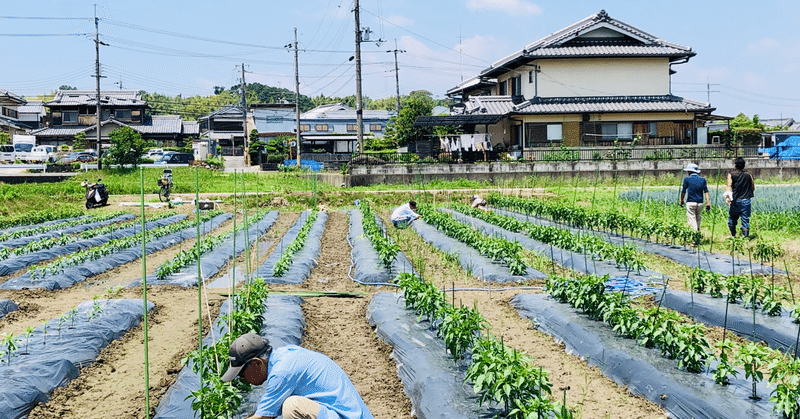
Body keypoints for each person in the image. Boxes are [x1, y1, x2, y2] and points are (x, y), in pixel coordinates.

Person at [221, 333, 375, 419]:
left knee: (292, 407)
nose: (243, 380)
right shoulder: (283, 356)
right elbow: (265, 412)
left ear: (256, 363)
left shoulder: (282, 372)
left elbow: (262, 418)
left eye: (242, 374)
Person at [724, 157, 755, 238]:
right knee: (745, 219)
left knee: (732, 218)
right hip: (746, 200)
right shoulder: (749, 175)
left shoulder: (731, 174)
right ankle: (745, 238)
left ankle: (733, 235)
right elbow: (752, 187)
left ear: (735, 165)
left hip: (735, 200)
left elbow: (729, 186)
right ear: (744, 165)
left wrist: (727, 197)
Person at [678, 163, 710, 234]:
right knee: (698, 219)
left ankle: (694, 237)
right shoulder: (702, 180)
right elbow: (706, 192)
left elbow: (683, 191)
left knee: (692, 220)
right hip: (700, 203)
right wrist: (708, 202)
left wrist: (681, 200)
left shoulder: (687, 179)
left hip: (690, 202)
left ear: (689, 171)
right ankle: (697, 234)